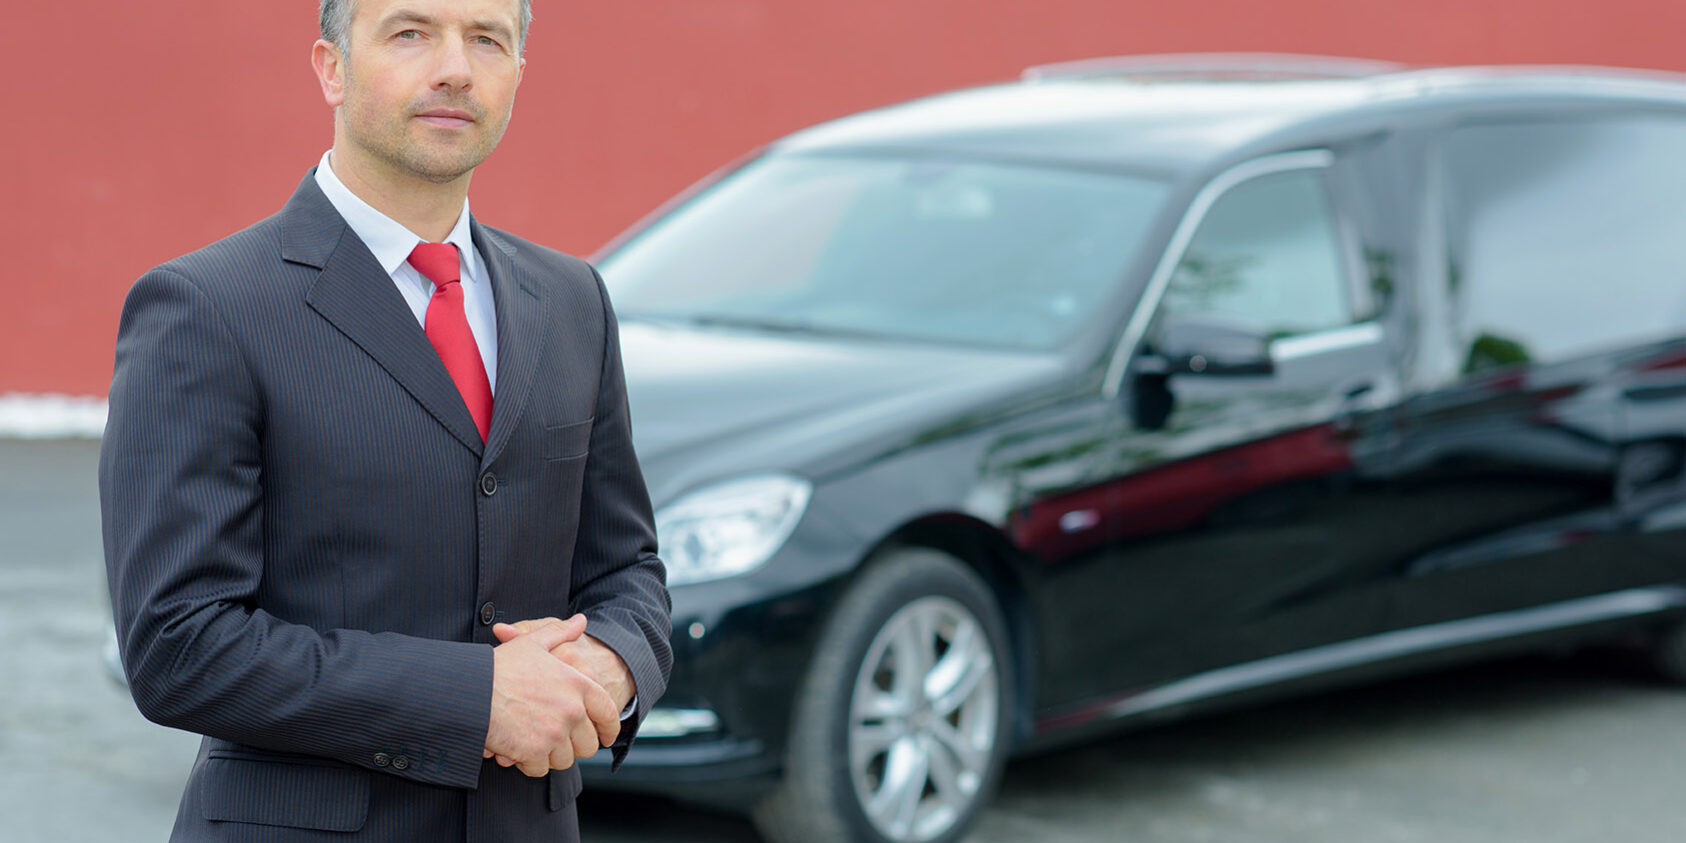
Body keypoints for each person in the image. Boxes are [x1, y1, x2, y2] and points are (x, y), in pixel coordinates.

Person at [97, 0, 672, 839]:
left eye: (487, 40)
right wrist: (478, 698)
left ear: (518, 73)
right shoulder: (206, 307)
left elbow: (629, 568)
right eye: (411, 33)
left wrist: (610, 663)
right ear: (332, 68)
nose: (455, 68)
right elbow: (177, 645)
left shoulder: (573, 300)